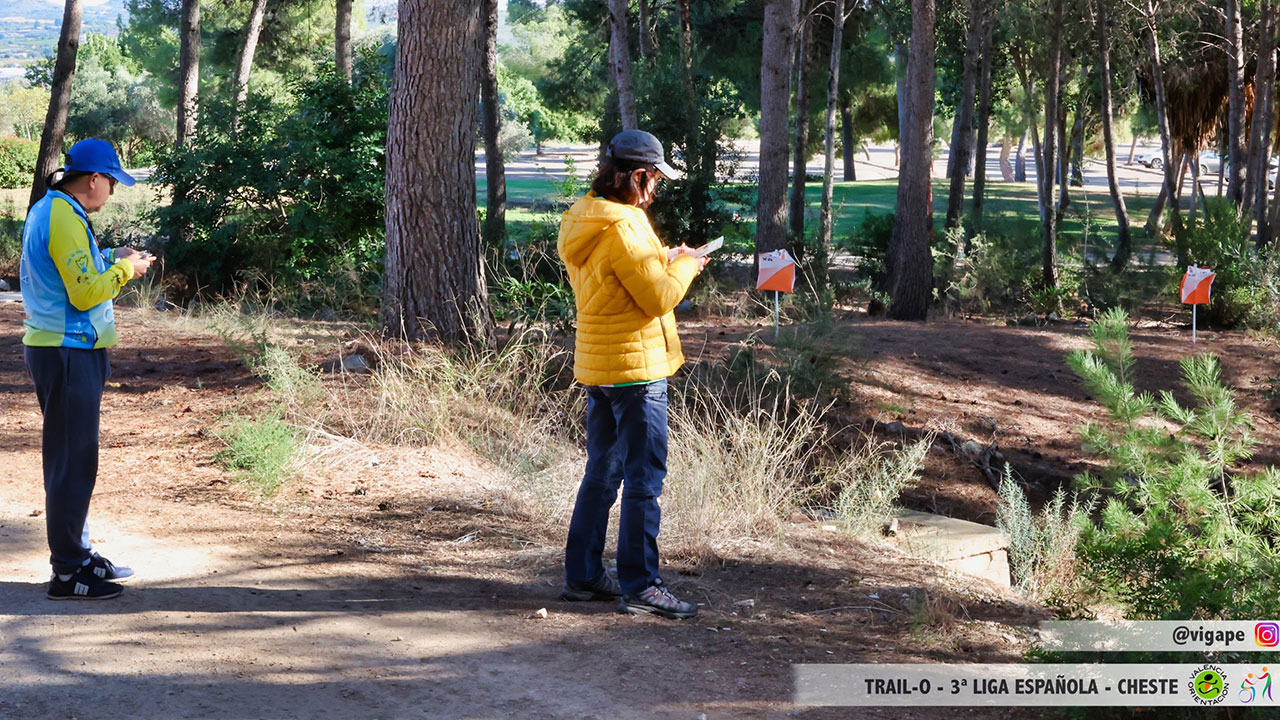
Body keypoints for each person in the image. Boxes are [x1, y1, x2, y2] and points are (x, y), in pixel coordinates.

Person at [557, 129, 708, 620]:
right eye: (656, 178)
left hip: (600, 366)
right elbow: (658, 297)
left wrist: (663, 261)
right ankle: (641, 585)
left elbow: (617, 278)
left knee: (602, 472)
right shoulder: (626, 225)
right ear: (639, 176)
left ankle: (582, 577)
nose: (658, 188)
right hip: (636, 371)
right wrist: (686, 264)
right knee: (645, 479)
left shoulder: (584, 216)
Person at [19, 138, 152, 600]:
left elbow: (69, 272)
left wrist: (112, 257)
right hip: (67, 350)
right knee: (73, 462)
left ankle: (79, 552)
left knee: (74, 458)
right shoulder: (63, 216)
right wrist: (126, 273)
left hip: (64, 349)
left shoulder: (55, 210)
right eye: (112, 182)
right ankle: (69, 572)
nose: (112, 192)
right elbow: (83, 293)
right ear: (93, 178)